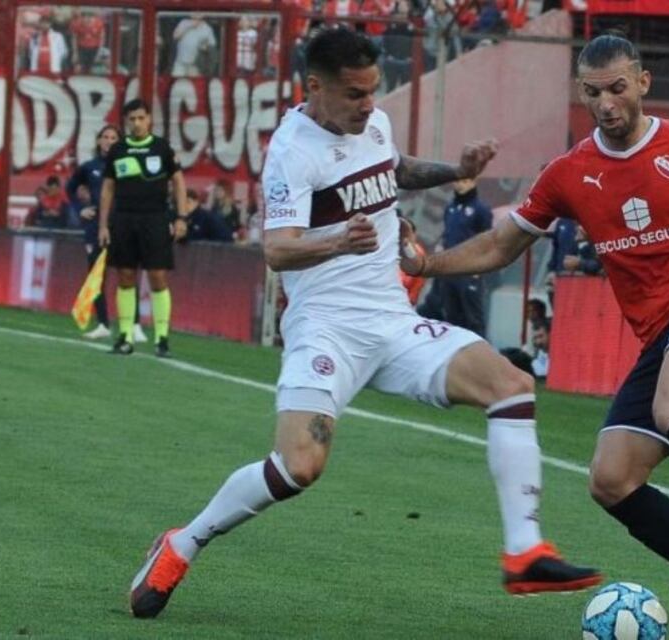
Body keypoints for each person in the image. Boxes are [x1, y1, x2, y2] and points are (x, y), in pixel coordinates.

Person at [127, 27, 600, 621]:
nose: (369, 104)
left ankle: (525, 551)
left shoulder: (371, 123)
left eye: (374, 91)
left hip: (393, 321)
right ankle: (183, 542)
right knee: (299, 466)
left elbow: (393, 167)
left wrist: (456, 168)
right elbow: (277, 249)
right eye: (355, 94)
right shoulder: (292, 151)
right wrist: (335, 239)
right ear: (315, 87)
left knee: (511, 386)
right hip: (325, 327)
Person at [400, 34, 669, 640]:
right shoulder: (570, 173)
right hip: (661, 338)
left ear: (643, 82)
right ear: (582, 92)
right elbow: (502, 244)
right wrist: (425, 266)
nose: (607, 103)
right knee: (611, 480)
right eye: (594, 92)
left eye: (618, 89)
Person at [99, 98, 187, 357]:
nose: (137, 123)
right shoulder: (118, 150)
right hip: (124, 219)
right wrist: (103, 224)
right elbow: (107, 189)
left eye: (141, 118)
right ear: (127, 121)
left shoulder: (162, 148)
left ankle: (161, 338)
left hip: (155, 219)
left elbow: (179, 182)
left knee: (158, 277)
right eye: (132, 119)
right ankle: (125, 336)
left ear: (149, 119)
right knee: (125, 275)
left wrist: (181, 217)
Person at [67, 125, 122, 340]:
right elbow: (70, 188)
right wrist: (81, 208)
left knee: (127, 273)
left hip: (120, 225)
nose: (109, 140)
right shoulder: (90, 167)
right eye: (105, 137)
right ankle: (103, 324)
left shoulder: (124, 165)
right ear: (99, 141)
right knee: (96, 275)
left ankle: (132, 325)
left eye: (113, 137)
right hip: (95, 227)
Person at [440, 177, 494, 336]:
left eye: (465, 181)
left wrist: (479, 268)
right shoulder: (450, 208)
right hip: (450, 271)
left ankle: (480, 357)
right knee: (451, 317)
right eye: (457, 181)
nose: (460, 185)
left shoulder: (481, 209)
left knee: (474, 318)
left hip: (470, 270)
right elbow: (447, 236)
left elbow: (487, 240)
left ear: (473, 182)